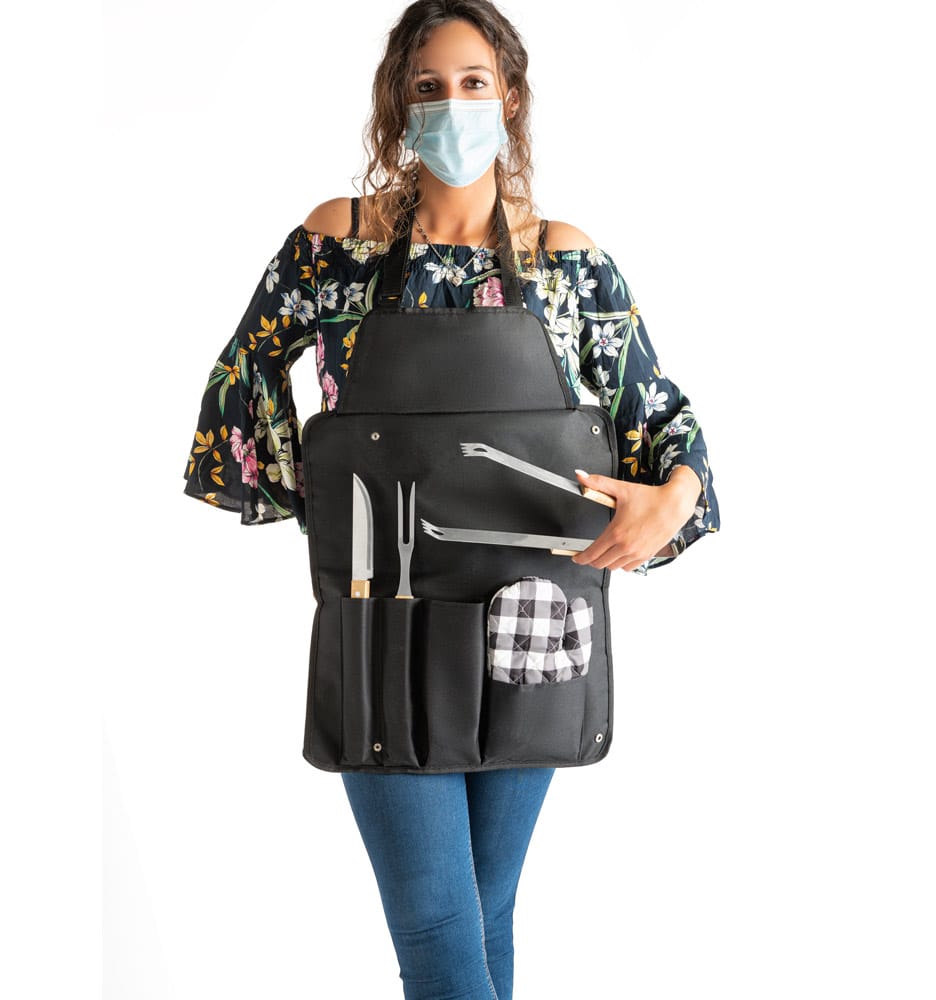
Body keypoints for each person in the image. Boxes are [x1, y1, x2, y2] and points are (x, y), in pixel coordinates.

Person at [182, 2, 720, 996]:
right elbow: (241, 372)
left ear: (508, 97)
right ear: (399, 104)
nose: (453, 103)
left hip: (534, 621)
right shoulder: (336, 243)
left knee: (484, 911)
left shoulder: (567, 261)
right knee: (437, 920)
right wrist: (313, 493)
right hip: (381, 616)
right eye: (428, 86)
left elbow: (666, 423)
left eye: (474, 82)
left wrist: (670, 498)